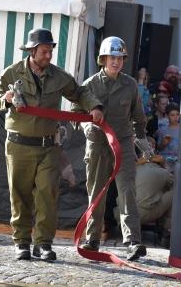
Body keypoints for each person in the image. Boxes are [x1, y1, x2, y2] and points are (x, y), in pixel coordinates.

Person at [0, 28, 103, 261]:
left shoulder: (59, 76)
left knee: (47, 195)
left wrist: (94, 106)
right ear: (32, 51)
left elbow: (79, 92)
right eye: (44, 52)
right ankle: (21, 242)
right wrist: (6, 99)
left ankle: (44, 243)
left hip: (48, 147)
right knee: (19, 195)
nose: (49, 56)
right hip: (18, 146)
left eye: (51, 51)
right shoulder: (12, 73)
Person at [72, 36, 147, 261]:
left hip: (122, 142)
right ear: (103, 59)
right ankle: (93, 239)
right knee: (96, 191)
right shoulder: (90, 84)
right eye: (112, 57)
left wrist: (143, 143)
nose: (116, 62)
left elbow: (139, 118)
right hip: (97, 142)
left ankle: (133, 241)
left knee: (127, 191)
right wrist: (86, 126)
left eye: (120, 58)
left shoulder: (131, 85)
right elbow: (75, 114)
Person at [157, 103, 180, 172]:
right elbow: (159, 148)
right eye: (172, 115)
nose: (175, 117)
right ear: (167, 116)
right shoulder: (162, 130)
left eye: (177, 114)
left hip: (178, 162)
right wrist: (164, 143)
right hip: (165, 164)